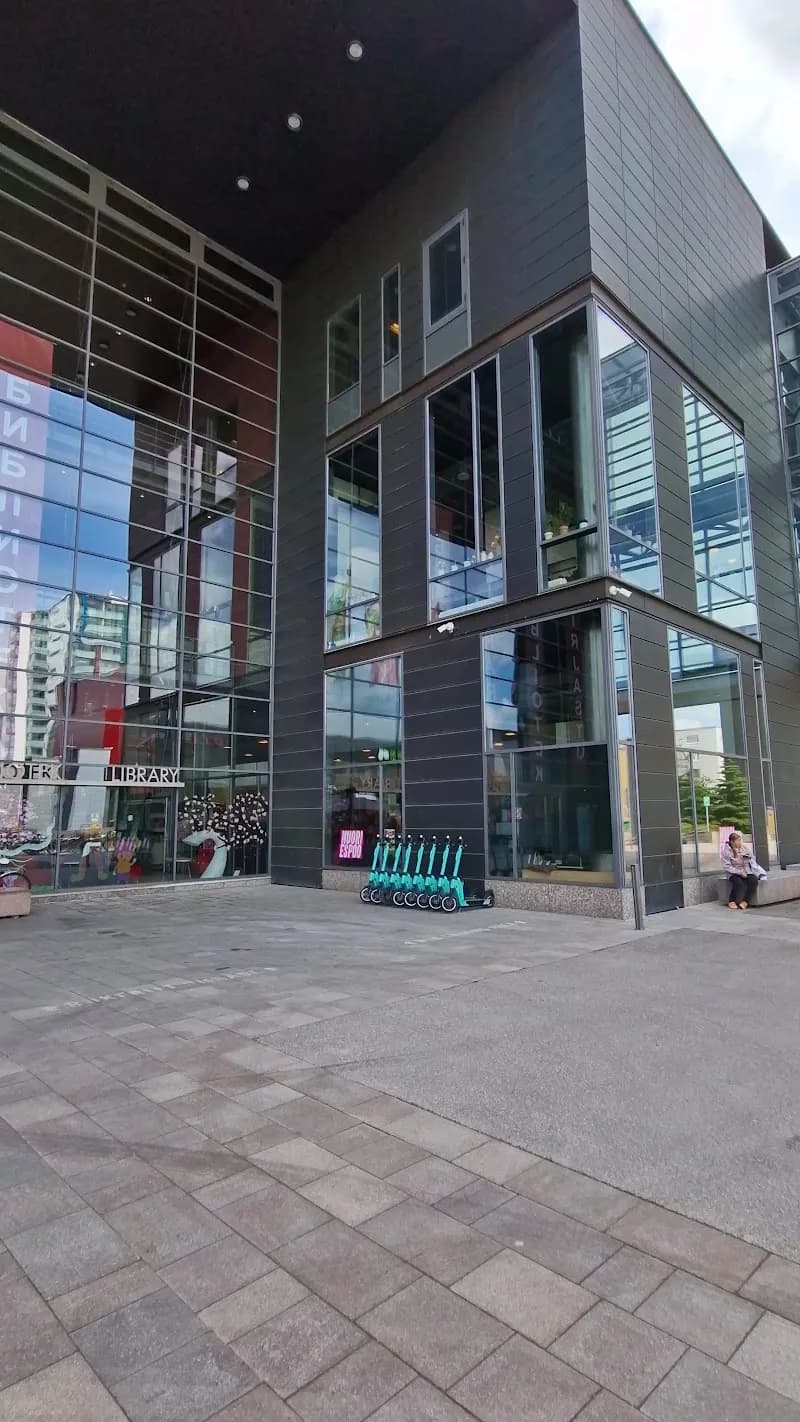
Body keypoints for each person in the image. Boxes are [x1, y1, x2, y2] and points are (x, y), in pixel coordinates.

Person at [720, 830, 764, 909]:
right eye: (738, 841)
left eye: (740, 840)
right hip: (733, 873)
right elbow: (727, 866)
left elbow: (752, 857)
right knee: (738, 883)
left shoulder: (743, 848)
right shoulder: (726, 852)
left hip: (746, 870)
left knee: (753, 880)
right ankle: (731, 901)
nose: (740, 842)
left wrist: (746, 857)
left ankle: (745, 901)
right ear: (732, 842)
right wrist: (740, 872)